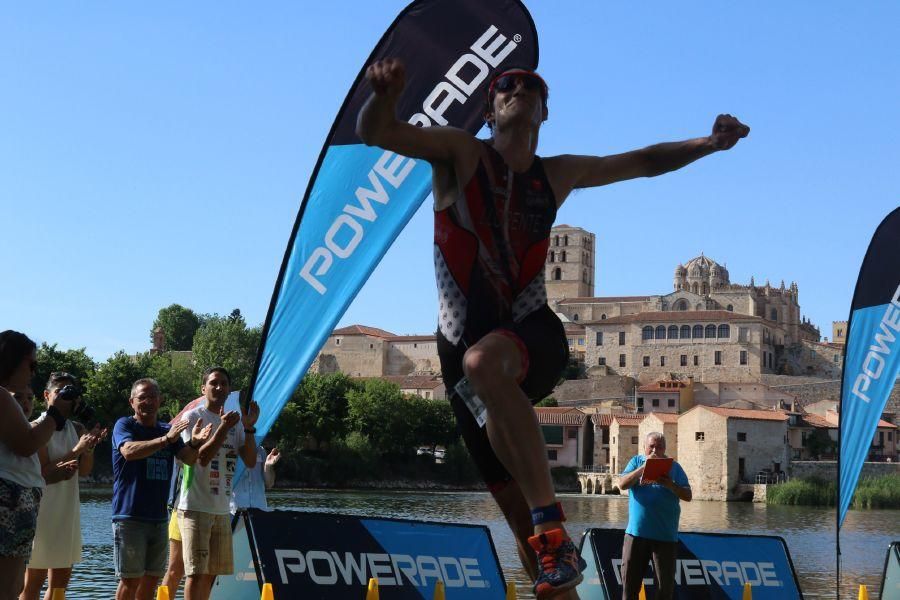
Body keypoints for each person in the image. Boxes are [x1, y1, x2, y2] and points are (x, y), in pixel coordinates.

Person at [357, 59, 747, 598]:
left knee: (484, 367)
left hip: (531, 334)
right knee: (525, 532)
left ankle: (553, 521)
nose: (518, 88)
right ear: (491, 110)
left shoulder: (556, 174)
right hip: (460, 349)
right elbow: (377, 132)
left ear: (544, 110)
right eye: (505, 86)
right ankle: (552, 555)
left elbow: (640, 162)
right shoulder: (461, 153)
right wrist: (384, 96)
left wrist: (707, 143)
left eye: (531, 86)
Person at [112, 378, 211, 600]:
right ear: (132, 402)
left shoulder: (168, 429)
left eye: (152, 396)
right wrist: (166, 439)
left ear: (160, 400)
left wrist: (194, 443)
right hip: (129, 517)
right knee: (129, 580)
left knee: (151, 580)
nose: (148, 401)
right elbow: (128, 451)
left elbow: (188, 459)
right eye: (142, 397)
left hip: (158, 519)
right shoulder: (125, 425)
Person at [20, 373, 107, 600]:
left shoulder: (76, 428)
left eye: (71, 392)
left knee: (60, 584)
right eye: (60, 392)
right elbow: (41, 472)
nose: (66, 397)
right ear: (47, 395)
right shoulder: (36, 428)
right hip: (41, 514)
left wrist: (89, 447)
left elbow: (85, 471)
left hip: (67, 512)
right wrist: (77, 450)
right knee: (33, 583)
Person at [176, 367, 259, 600]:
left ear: (229, 389)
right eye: (213, 383)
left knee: (212, 575)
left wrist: (250, 427)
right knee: (195, 574)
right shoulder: (193, 417)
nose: (219, 387)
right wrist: (222, 429)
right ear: (203, 388)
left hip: (222, 509)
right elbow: (200, 458)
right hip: (195, 507)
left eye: (224, 383)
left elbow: (251, 461)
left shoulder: (236, 422)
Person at [0, 331, 71, 600]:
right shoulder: (1, 397)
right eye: (31, 364)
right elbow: (27, 443)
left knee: (14, 585)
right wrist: (55, 413)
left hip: (17, 500)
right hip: (9, 500)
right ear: (11, 360)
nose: (33, 371)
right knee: (8, 587)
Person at [617, 432, 692, 600]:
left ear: (664, 449)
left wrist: (670, 485)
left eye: (659, 447)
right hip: (636, 535)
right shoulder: (636, 462)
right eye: (651, 446)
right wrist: (644, 468)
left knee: (664, 591)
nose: (655, 450)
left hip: (665, 537)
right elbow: (622, 484)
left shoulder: (675, 468)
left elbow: (688, 495)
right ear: (644, 447)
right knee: (629, 589)